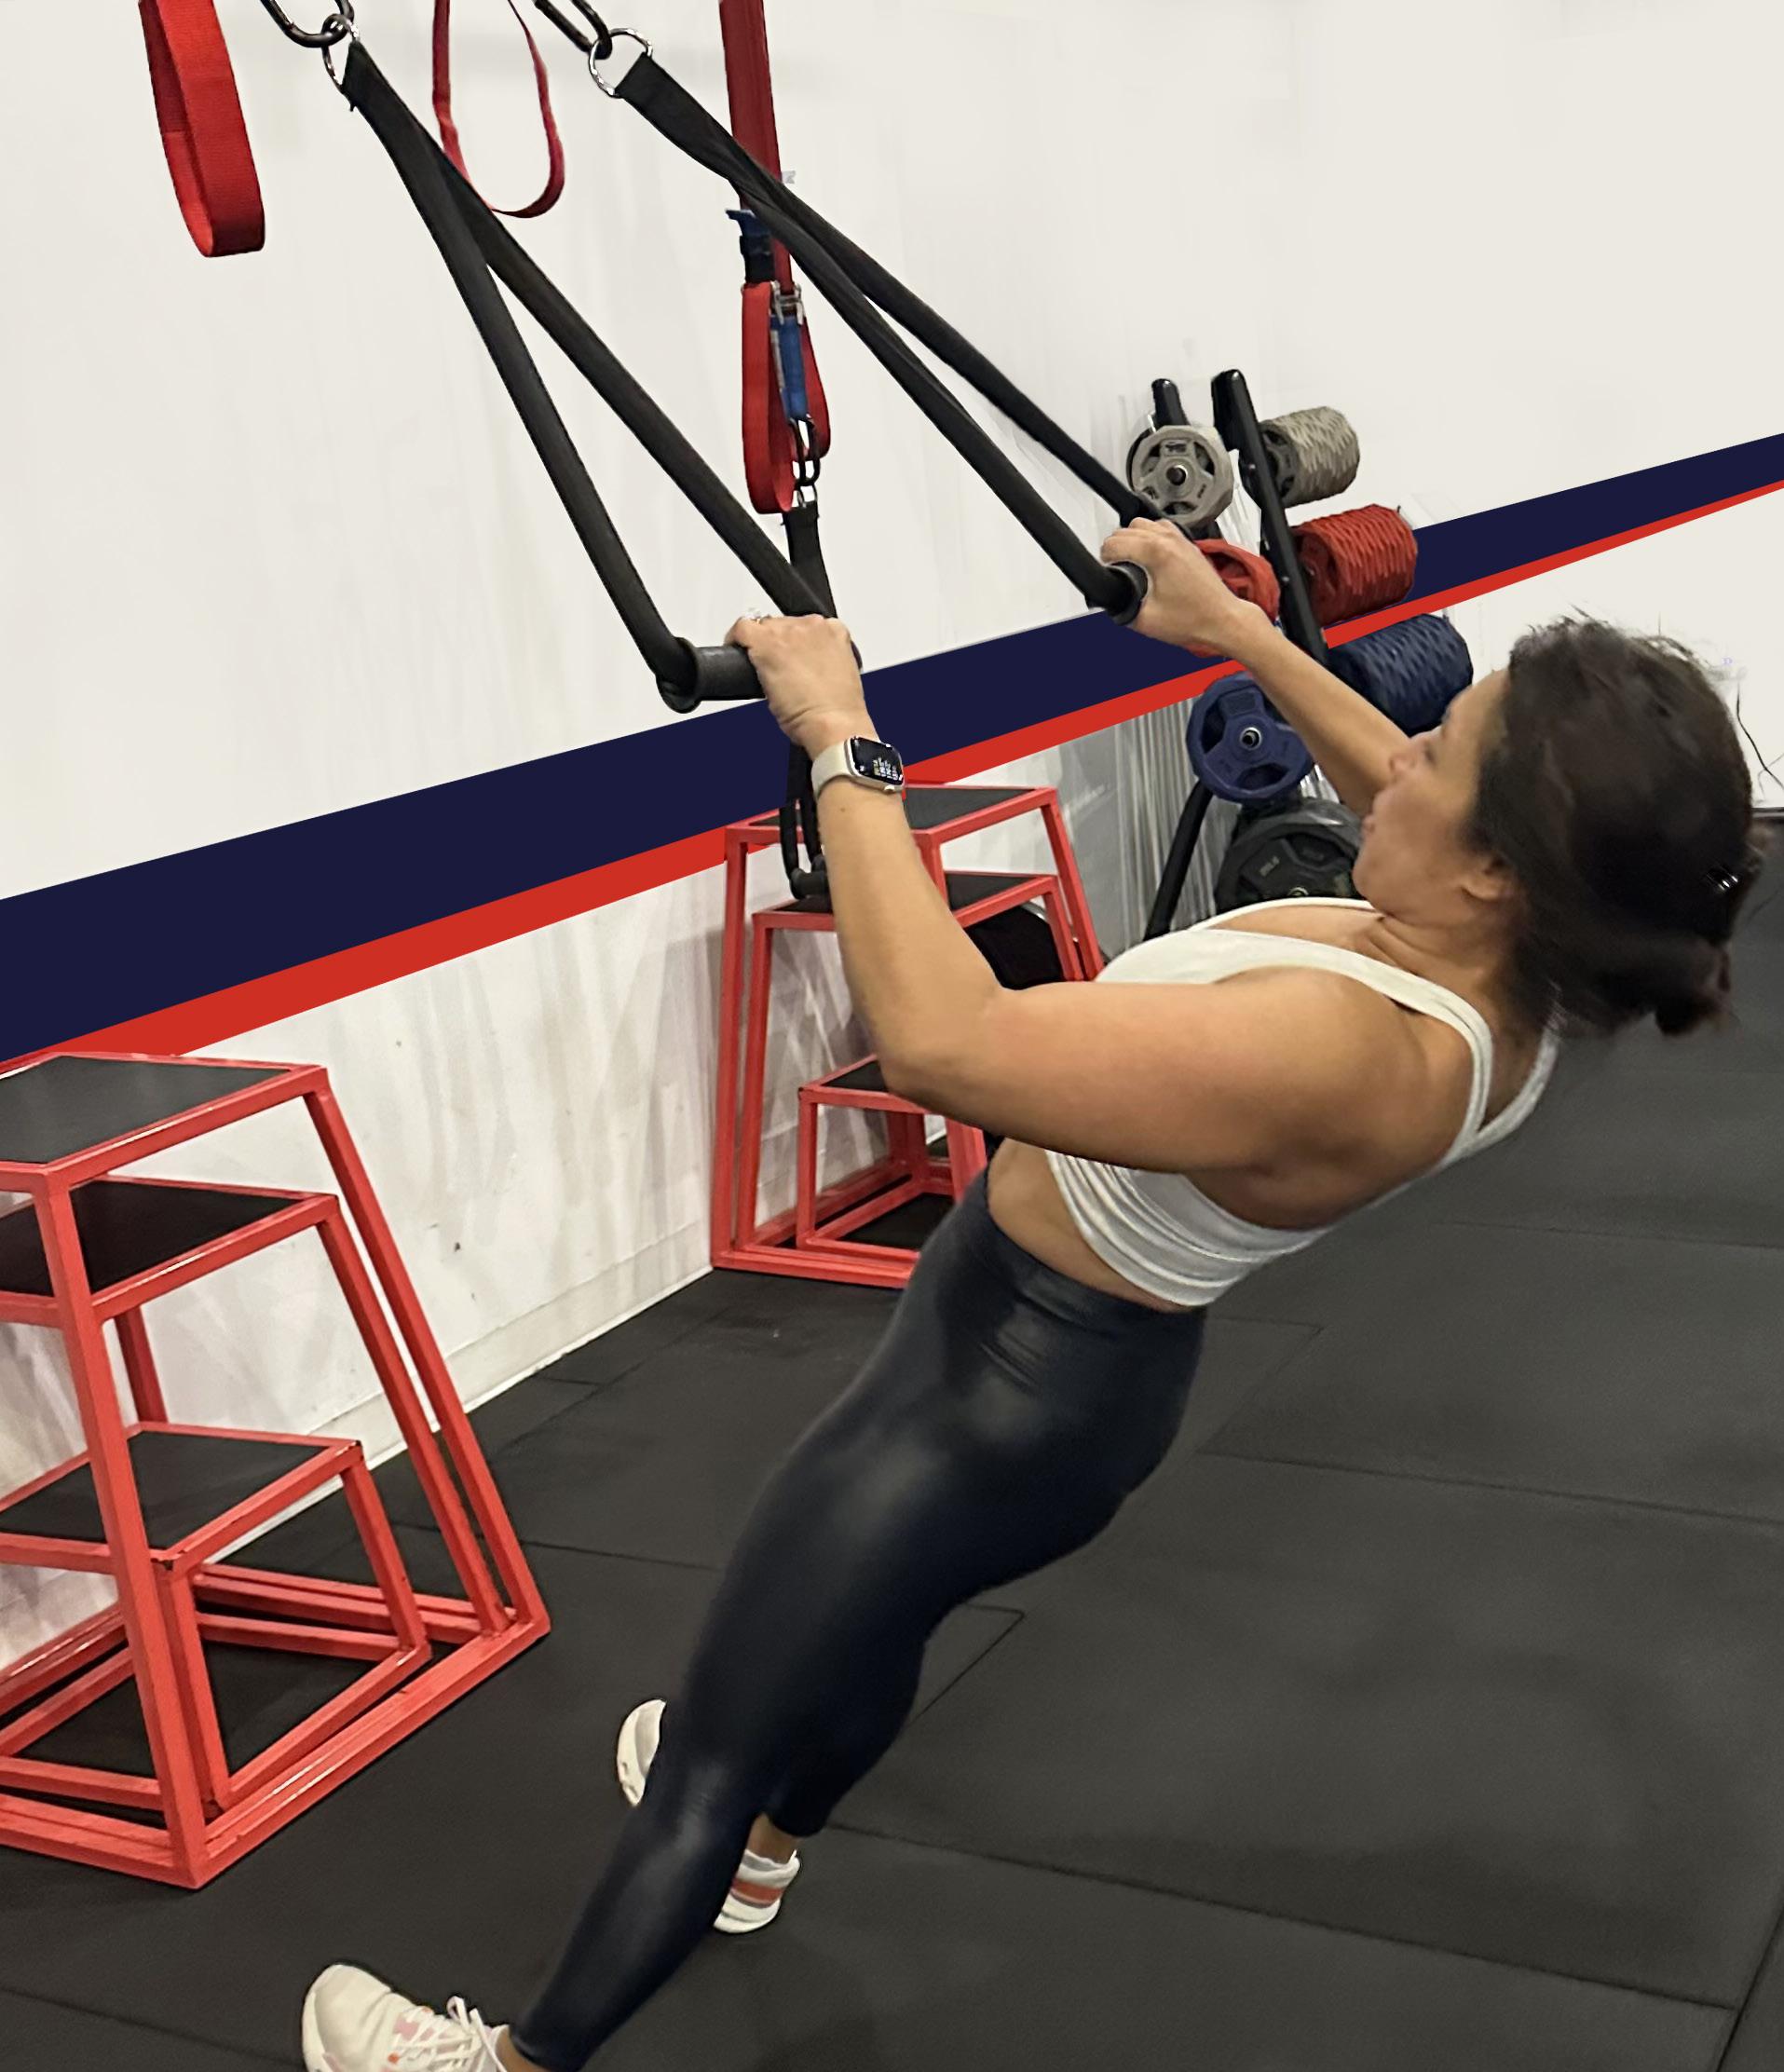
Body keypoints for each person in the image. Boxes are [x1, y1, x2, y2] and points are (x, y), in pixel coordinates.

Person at [301, 520, 1761, 2072]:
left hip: (1001, 1396)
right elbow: (1384, 785)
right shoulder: (1505, 971)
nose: (1392, 758)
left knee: (710, 1751)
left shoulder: (1355, 1051)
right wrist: (1233, 633)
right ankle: (769, 1851)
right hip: (1053, 1369)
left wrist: (839, 735)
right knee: (877, 1616)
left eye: (1438, 754)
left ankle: (515, 2060)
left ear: (1495, 869)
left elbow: (941, 1043)